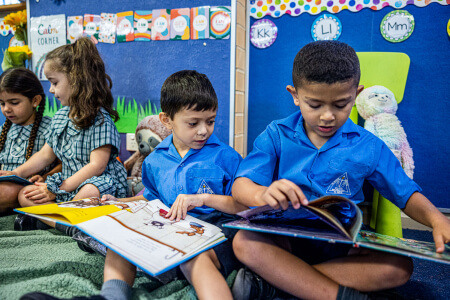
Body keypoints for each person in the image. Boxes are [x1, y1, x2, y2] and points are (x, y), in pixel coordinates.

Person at [231, 41, 450, 300]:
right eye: (314, 105)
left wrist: (437, 219)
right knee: (244, 242)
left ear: (356, 95)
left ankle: (280, 283)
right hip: (285, 242)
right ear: (295, 95)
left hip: (341, 247)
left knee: (400, 267)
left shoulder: (369, 145)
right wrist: (263, 195)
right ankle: (338, 295)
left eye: (341, 104)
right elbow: (241, 186)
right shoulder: (276, 134)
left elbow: (405, 193)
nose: (327, 116)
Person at [20, 70, 246, 300]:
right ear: (167, 120)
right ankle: (111, 296)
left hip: (208, 238)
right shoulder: (157, 159)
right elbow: (150, 198)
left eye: (210, 121)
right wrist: (120, 202)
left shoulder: (226, 157)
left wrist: (202, 199)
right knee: (120, 240)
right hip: (165, 232)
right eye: (193, 123)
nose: (203, 130)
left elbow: (241, 207)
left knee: (194, 259)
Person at [1, 37, 127, 223]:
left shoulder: (100, 120)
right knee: (25, 195)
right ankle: (65, 223)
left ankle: (60, 221)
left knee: (88, 192)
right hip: (66, 183)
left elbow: (96, 166)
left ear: (77, 81)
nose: (51, 90)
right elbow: (45, 155)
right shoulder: (60, 117)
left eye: (54, 82)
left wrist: (60, 188)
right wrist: (18, 173)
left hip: (96, 182)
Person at [0, 68, 57, 212]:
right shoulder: (3, 130)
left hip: (31, 187)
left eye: (14, 102)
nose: (6, 109)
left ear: (35, 100)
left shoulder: (50, 127)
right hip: (4, 184)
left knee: (5, 193)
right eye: (2, 103)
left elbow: (64, 164)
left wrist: (45, 177)